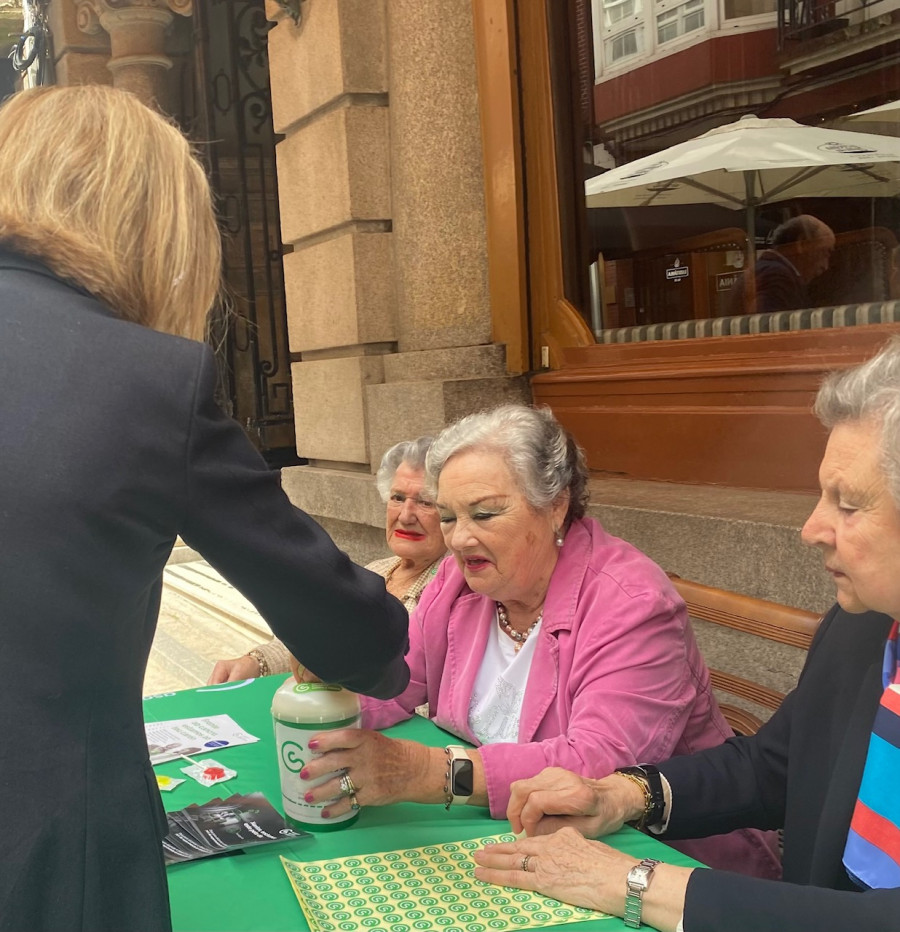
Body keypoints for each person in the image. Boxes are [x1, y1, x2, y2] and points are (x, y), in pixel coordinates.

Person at [0, 86, 410, 932]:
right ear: (152, 226)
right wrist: (382, 641)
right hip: (49, 858)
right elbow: (350, 631)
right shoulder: (141, 379)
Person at [471, 340, 900, 932]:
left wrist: (636, 883)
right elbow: (773, 767)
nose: (811, 529)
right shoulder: (869, 624)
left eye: (848, 505)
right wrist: (621, 795)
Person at [298, 404, 780, 879]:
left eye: (484, 514)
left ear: (555, 506)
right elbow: (402, 678)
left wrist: (425, 771)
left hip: (655, 864)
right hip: (507, 842)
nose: (460, 540)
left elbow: (593, 766)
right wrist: (339, 678)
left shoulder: (632, 603)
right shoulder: (457, 581)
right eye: (447, 517)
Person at [208, 436, 446, 683]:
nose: (406, 516)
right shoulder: (377, 571)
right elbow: (315, 635)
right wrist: (256, 662)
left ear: (451, 512)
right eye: (397, 498)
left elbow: (424, 685)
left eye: (425, 502)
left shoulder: (452, 591)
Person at [733, 214, 835, 314]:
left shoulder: (766, 270)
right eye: (824, 252)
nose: (825, 266)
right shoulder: (777, 276)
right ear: (802, 244)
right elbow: (770, 327)